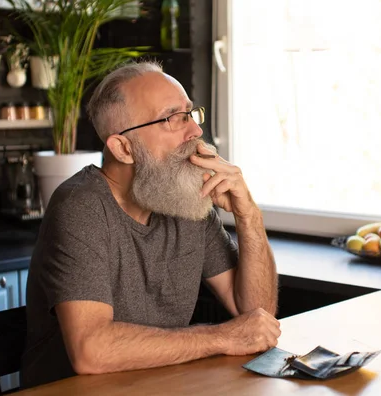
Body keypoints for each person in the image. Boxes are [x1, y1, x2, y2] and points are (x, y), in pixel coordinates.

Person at [20, 60, 280, 389]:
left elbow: (257, 316)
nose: (196, 131)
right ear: (123, 148)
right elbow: (91, 351)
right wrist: (221, 338)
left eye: (190, 113)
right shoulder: (80, 206)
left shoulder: (186, 199)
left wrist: (249, 216)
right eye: (174, 119)